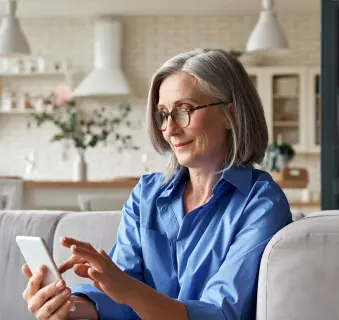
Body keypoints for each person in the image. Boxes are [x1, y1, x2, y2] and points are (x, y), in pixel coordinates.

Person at [22, 48, 292, 320]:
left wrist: (127, 289)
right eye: (164, 114)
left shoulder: (261, 203)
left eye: (184, 110)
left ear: (228, 115)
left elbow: (220, 314)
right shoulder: (147, 194)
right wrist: (68, 307)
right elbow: (120, 295)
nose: (170, 129)